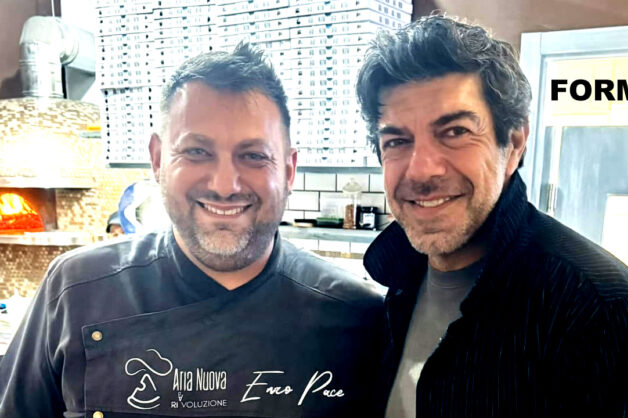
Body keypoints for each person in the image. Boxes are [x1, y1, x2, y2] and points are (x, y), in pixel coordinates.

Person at [0, 45, 385, 417]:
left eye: (254, 155)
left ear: (288, 170)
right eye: (197, 152)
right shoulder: (74, 290)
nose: (225, 185)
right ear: (157, 159)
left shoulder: (359, 316)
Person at [356, 15, 628, 417]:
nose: (421, 171)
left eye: (455, 132)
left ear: (513, 144)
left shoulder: (608, 314)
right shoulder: (396, 284)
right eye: (397, 141)